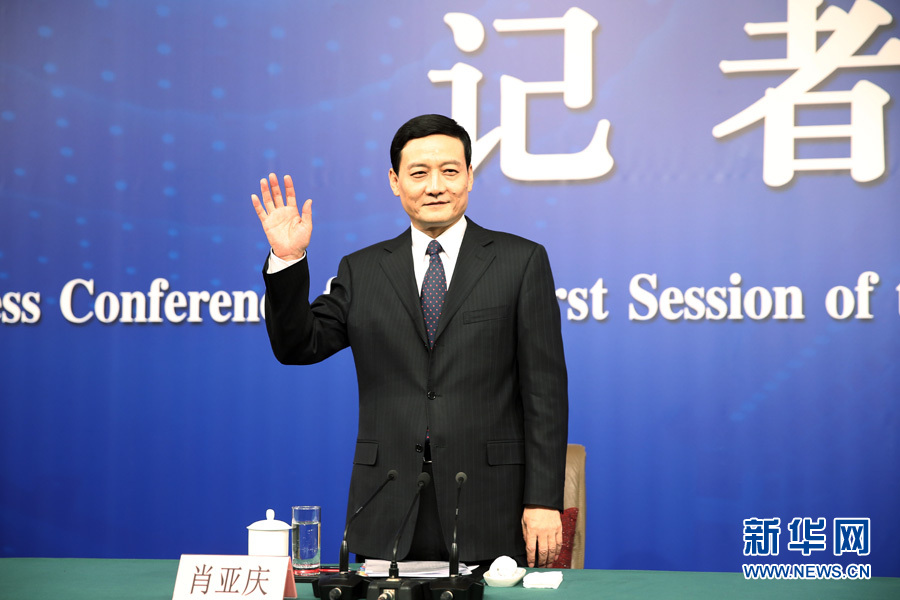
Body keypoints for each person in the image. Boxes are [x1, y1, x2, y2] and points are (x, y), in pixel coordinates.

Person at [251, 114, 568, 568]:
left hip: (488, 502)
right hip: (387, 500)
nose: (435, 186)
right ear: (395, 182)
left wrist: (542, 501)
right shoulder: (363, 270)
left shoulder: (520, 261)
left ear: (469, 176)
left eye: (449, 171)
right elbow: (298, 346)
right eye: (419, 173)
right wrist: (288, 260)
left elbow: (545, 395)